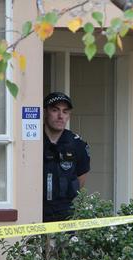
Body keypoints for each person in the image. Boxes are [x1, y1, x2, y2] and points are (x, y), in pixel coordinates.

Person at [43, 92, 90, 222]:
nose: (60, 116)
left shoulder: (77, 144)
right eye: (55, 110)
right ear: (46, 111)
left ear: (69, 115)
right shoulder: (34, 142)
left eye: (65, 112)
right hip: (37, 210)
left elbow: (81, 180)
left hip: (65, 213)